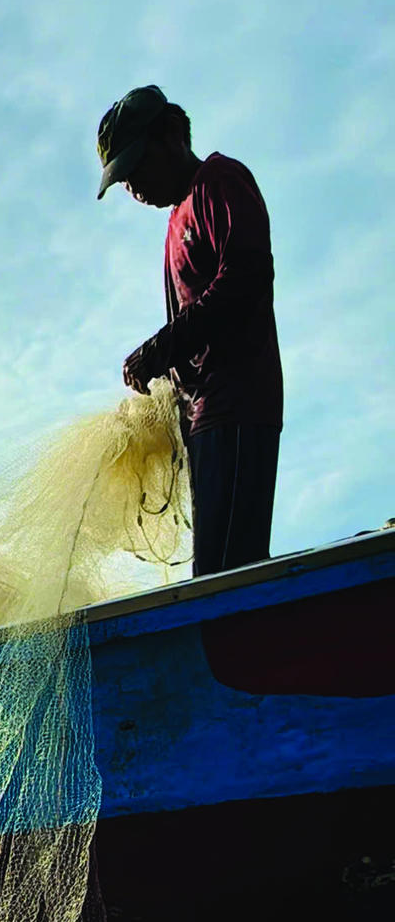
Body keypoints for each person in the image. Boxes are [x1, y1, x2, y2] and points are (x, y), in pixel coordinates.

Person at [97, 85, 283, 577]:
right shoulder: (174, 221)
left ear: (173, 135)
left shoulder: (219, 181)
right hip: (202, 417)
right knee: (211, 571)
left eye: (137, 166)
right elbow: (187, 329)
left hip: (237, 404)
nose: (133, 187)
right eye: (124, 179)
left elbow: (245, 278)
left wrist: (161, 347)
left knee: (229, 573)